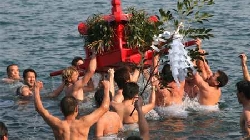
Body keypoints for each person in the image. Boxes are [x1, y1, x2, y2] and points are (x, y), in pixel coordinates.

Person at [34, 80, 110, 140]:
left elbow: (39, 109)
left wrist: (36, 89)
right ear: (76, 109)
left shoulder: (57, 124)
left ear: (61, 109)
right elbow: (104, 107)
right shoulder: (84, 122)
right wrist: (106, 88)